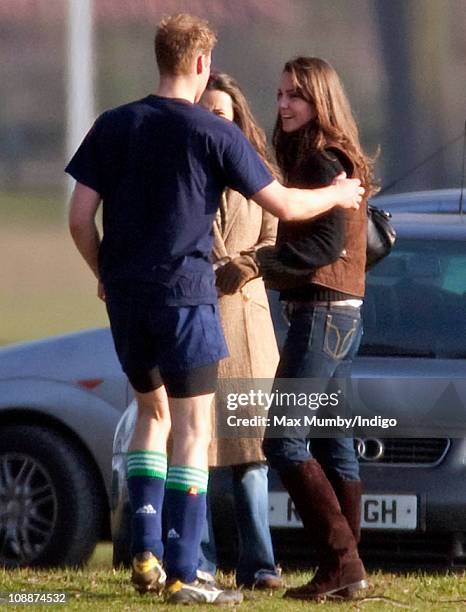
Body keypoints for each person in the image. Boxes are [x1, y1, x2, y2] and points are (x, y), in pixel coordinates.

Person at [66, 12, 364, 605]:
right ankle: (183, 570)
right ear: (202, 65)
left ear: (161, 59)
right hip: (186, 299)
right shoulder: (211, 131)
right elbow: (281, 203)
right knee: (194, 431)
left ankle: (145, 553)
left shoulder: (112, 124)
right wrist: (336, 193)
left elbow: (78, 218)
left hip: (127, 302)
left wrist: (106, 275)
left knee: (152, 417)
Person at [260, 56, 378, 601]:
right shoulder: (340, 156)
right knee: (336, 443)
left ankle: (342, 565)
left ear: (320, 102)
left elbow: (323, 246)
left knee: (282, 440)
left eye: (296, 97)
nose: (284, 105)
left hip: (322, 314)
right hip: (345, 314)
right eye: (282, 94)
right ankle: (345, 573)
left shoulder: (320, 160)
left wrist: (263, 264)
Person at [198, 72, 282, 589]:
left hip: (249, 334)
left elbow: (279, 238)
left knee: (251, 457)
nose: (212, 121)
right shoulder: (183, 174)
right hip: (200, 324)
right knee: (195, 456)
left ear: (238, 120)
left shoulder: (260, 174)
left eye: (221, 114)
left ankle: (260, 564)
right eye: (204, 113)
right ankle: (199, 560)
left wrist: (248, 263)